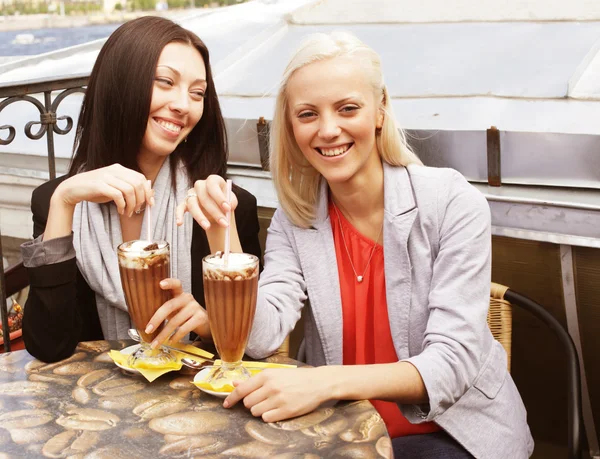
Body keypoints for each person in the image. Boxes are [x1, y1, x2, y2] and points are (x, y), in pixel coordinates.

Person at [181, 31, 534, 459]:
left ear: (380, 109)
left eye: (348, 108)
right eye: (307, 114)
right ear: (291, 128)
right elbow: (260, 336)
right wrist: (223, 232)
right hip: (345, 430)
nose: (329, 130)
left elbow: (452, 362)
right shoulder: (295, 221)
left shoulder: (452, 202)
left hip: (452, 433)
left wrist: (324, 382)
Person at [20, 16, 261, 363]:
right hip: (97, 405)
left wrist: (209, 325)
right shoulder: (56, 202)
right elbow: (49, 346)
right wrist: (63, 202)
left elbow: (253, 347)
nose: (184, 105)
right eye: (165, 82)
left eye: (197, 93)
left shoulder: (219, 206)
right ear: (120, 85)